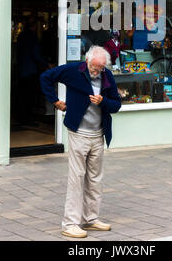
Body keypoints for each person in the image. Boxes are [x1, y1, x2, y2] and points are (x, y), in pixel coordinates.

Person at [40, 45, 121, 239]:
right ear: (87, 61)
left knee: (95, 178)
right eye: (94, 67)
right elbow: (46, 77)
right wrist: (55, 101)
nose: (97, 71)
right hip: (78, 133)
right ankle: (70, 223)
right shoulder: (73, 70)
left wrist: (103, 101)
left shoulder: (107, 76)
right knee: (76, 178)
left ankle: (91, 218)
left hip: (98, 134)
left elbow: (116, 104)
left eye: (100, 68)